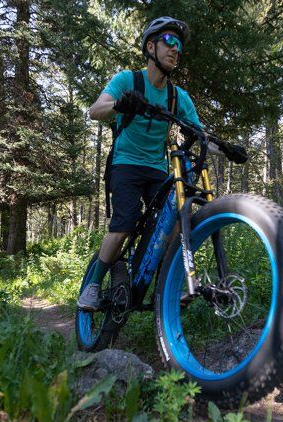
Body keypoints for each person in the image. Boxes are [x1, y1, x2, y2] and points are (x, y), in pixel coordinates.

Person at [77, 16, 203, 311]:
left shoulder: (177, 96)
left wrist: (227, 149)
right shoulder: (128, 80)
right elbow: (95, 110)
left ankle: (167, 287)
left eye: (179, 45)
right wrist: (119, 104)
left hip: (157, 169)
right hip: (126, 164)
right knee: (124, 223)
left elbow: (200, 132)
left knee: (172, 223)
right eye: (169, 41)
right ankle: (92, 286)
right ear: (150, 47)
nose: (175, 49)